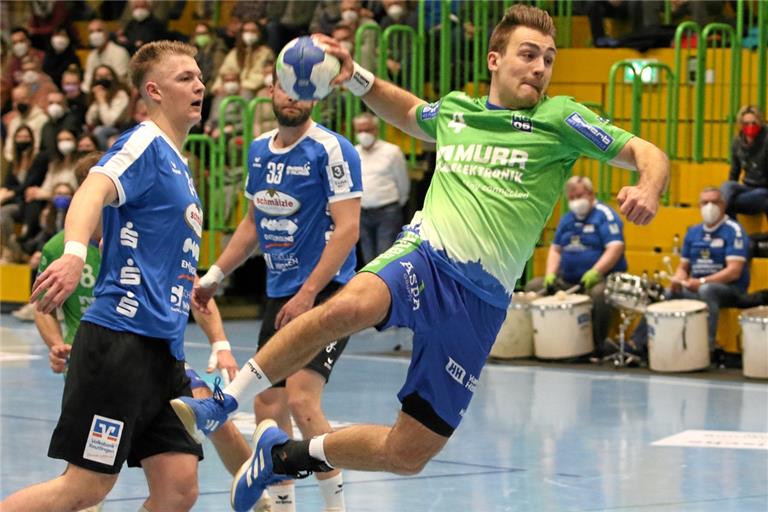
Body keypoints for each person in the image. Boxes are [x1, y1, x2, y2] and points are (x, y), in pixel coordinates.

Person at [172, 6, 669, 511]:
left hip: (479, 304)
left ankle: (284, 457)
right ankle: (224, 403)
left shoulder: (559, 119)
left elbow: (649, 153)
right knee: (346, 308)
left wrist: (648, 187)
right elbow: (408, 112)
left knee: (408, 453)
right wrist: (357, 76)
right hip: (427, 257)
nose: (540, 66)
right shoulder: (459, 113)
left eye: (548, 57)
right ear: (495, 60)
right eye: (528, 54)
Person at [0, 40, 208, 512]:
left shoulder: (180, 163)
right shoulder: (144, 143)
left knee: (178, 488)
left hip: (163, 350)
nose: (199, 86)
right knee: (84, 489)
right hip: (120, 341)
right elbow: (92, 189)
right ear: (153, 91)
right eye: (185, 78)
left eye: (199, 77)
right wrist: (74, 253)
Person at [180, 67, 360, 512]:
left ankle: (336, 508)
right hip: (281, 292)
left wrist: (308, 293)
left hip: (327, 291)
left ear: (316, 96)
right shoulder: (260, 150)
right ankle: (282, 508)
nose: (293, 98)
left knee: (301, 399)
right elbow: (252, 222)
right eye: (286, 87)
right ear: (271, 90)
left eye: (304, 91)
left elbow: (348, 230)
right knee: (267, 409)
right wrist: (215, 276)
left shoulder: (332, 149)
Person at [525, 175, 627, 356]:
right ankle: (540, 344)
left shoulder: (605, 214)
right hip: (568, 280)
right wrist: (550, 274)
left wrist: (596, 272)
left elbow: (615, 247)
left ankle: (596, 346)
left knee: (599, 294)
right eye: (571, 198)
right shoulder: (566, 219)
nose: (575, 201)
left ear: (590, 193)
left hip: (599, 279)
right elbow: (556, 249)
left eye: (579, 196)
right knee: (534, 287)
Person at [665, 187, 749, 353]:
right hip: (697, 286)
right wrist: (678, 279)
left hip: (730, 290)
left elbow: (734, 271)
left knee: (707, 290)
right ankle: (648, 345)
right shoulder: (693, 232)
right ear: (699, 205)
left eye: (714, 202)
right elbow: (683, 267)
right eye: (705, 202)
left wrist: (702, 281)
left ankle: (705, 348)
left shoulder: (734, 230)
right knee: (669, 293)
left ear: (723, 205)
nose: (709, 206)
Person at [353, 111, 410, 264]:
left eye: (367, 129)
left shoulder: (392, 152)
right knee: (368, 257)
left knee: (385, 257)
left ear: (376, 130)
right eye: (360, 130)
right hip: (362, 213)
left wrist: (398, 202)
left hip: (387, 212)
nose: (363, 134)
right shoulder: (353, 152)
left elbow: (403, 183)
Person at [720, 105, 767, 218]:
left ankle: (718, 218)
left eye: (753, 123)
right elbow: (734, 172)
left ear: (760, 123)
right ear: (741, 125)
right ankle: (724, 221)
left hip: (764, 189)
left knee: (760, 195)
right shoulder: (737, 142)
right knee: (728, 186)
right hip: (747, 188)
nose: (750, 126)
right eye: (746, 123)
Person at [81, 18, 131, 93]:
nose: (95, 35)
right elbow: (87, 80)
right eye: (91, 32)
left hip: (119, 94)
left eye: (99, 30)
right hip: (96, 94)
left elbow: (119, 80)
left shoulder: (119, 52)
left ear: (107, 33)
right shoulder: (91, 55)